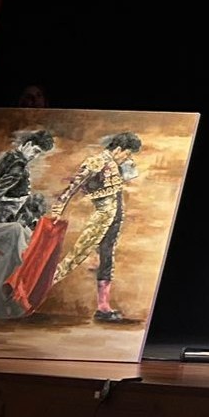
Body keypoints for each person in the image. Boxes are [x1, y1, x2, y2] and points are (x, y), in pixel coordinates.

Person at [50, 132, 143, 323]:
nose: (128, 157)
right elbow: (73, 187)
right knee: (77, 255)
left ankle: (103, 307)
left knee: (107, 258)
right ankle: (40, 287)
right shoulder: (95, 162)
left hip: (115, 217)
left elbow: (132, 174)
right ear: (118, 149)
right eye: (127, 153)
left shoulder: (118, 164)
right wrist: (58, 210)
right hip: (101, 217)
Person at [0, 128, 56, 227]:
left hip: (7, 206)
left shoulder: (9, 155)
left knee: (39, 201)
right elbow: (1, 188)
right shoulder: (19, 164)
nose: (35, 156)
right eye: (36, 151)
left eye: (38, 153)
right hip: (10, 208)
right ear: (28, 144)